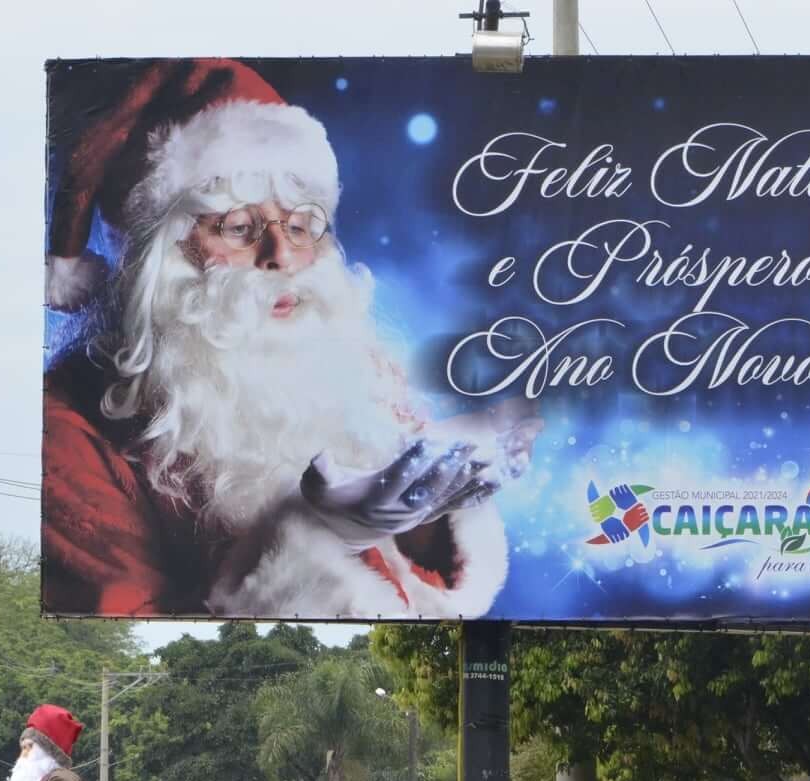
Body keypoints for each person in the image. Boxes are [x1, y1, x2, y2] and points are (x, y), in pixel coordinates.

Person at [42, 58, 538, 618]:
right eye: (237, 227)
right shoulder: (66, 430)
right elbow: (130, 637)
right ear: (163, 255)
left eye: (300, 224)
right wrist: (315, 538)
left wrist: (436, 509)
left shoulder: (359, 370)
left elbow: (415, 599)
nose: (282, 255)